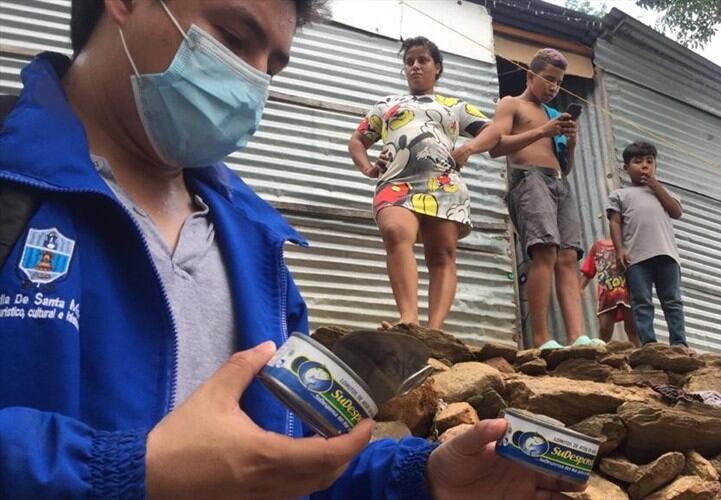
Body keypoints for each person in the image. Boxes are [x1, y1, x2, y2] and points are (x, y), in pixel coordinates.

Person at [0, 1, 582, 498]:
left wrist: (423, 477)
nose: (252, 81)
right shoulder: (16, 190)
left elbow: (291, 459)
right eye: (234, 38)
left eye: (272, 66)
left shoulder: (255, 243)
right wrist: (129, 472)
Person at [348, 36, 501, 331]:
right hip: (396, 182)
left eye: (423, 60)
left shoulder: (454, 106)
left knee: (441, 254)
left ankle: (434, 330)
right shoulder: (386, 105)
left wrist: (468, 149)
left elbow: (492, 131)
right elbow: (357, 140)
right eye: (409, 62)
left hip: (443, 185)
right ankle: (408, 318)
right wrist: (367, 167)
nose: (415, 66)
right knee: (395, 232)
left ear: (437, 67)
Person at [490, 48, 584, 349]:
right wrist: (542, 132)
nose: (554, 87)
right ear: (531, 76)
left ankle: (577, 336)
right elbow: (496, 145)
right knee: (544, 251)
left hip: (558, 183)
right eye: (549, 79)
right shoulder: (511, 104)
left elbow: (566, 168)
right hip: (529, 179)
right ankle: (542, 337)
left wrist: (570, 143)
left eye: (559, 82)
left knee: (568, 256)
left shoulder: (553, 115)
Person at [606, 142, 689, 348]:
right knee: (641, 301)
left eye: (649, 162)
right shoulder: (620, 195)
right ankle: (648, 343)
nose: (644, 165)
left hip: (666, 254)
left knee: (672, 300)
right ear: (626, 168)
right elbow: (615, 222)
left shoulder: (663, 193)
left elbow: (676, 212)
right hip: (636, 258)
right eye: (638, 161)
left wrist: (656, 186)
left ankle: (679, 342)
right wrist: (620, 249)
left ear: (655, 166)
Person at [579, 239, 640, 347]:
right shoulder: (597, 247)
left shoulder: (629, 243)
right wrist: (580, 287)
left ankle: (639, 352)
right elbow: (588, 271)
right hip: (606, 295)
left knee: (632, 328)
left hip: (628, 293)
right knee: (604, 328)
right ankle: (600, 353)